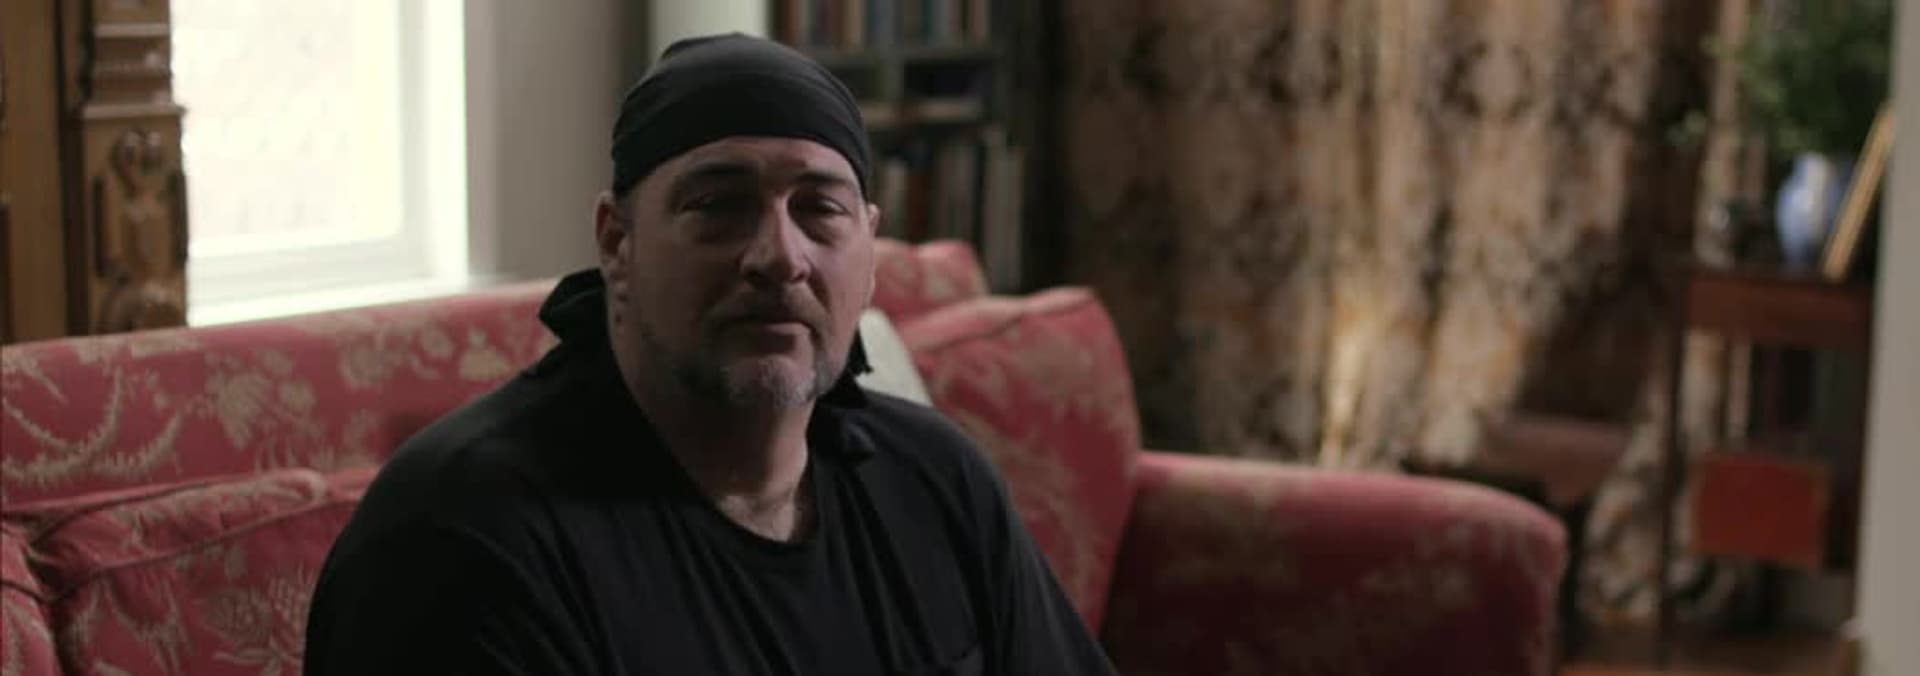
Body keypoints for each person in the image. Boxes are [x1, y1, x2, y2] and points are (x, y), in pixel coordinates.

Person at [302, 33, 1118, 676]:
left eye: (819, 209)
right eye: (720, 205)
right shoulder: (462, 538)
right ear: (617, 244)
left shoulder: (935, 480)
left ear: (869, 247)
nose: (779, 256)